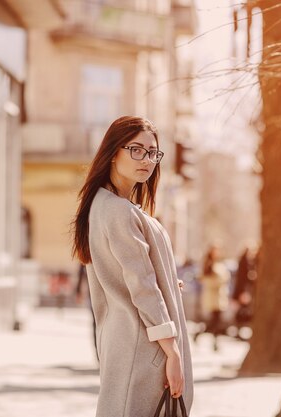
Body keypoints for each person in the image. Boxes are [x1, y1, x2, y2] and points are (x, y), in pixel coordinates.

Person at [72, 116, 193, 416]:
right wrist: (172, 350)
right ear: (114, 152)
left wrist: (167, 281)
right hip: (144, 348)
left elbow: (132, 276)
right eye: (136, 150)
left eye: (152, 152)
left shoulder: (104, 205)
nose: (147, 160)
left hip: (126, 343)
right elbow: (142, 287)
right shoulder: (118, 211)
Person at [194, 245, 230, 351]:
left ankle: (203, 336)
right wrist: (219, 281)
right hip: (212, 297)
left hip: (220, 297)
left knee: (215, 322)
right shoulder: (208, 264)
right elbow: (205, 280)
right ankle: (212, 341)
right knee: (214, 322)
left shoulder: (219, 264)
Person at [231, 243, 259, 334]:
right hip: (243, 291)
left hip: (243, 291)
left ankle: (239, 329)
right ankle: (238, 329)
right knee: (242, 311)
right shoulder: (244, 263)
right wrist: (243, 292)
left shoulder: (247, 262)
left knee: (242, 310)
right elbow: (242, 280)